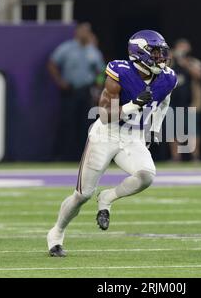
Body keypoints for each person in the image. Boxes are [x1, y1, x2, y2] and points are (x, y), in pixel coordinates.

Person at [46, 30, 177, 257]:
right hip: (106, 134)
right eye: (155, 53)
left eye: (161, 53)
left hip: (133, 136)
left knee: (147, 175)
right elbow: (105, 114)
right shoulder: (120, 71)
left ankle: (108, 197)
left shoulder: (167, 78)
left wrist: (153, 129)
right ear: (140, 53)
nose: (160, 58)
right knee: (83, 194)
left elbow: (164, 101)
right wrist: (133, 104)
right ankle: (56, 233)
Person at [47, 22, 105, 161]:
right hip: (70, 90)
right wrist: (60, 81)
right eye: (83, 31)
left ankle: (83, 155)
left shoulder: (93, 51)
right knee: (67, 122)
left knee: (85, 123)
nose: (85, 34)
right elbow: (52, 63)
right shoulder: (66, 48)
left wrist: (98, 85)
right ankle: (65, 155)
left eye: (87, 31)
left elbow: (101, 71)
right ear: (77, 32)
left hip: (86, 91)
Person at [169, 39, 201, 162]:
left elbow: (199, 75)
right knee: (173, 130)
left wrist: (185, 63)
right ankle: (176, 158)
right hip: (172, 102)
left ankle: (195, 157)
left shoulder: (193, 62)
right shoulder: (170, 62)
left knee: (192, 130)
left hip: (190, 102)